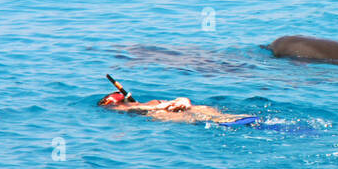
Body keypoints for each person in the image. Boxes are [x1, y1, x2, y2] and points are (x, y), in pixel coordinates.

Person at [97, 75, 257, 126]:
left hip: (179, 108)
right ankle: (222, 122)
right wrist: (164, 106)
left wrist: (183, 100)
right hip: (163, 114)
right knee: (173, 115)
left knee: (199, 108)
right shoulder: (123, 108)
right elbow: (134, 110)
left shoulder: (149, 101)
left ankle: (235, 118)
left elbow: (178, 99)